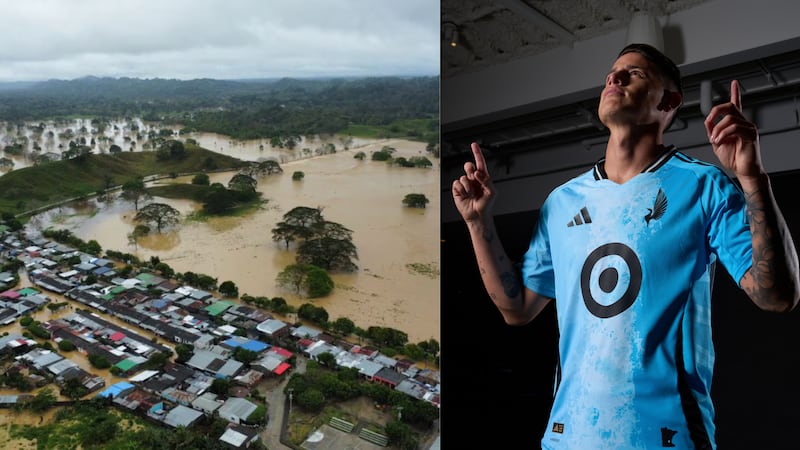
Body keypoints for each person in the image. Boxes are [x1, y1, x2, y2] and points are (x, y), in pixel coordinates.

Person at [451, 43, 800, 449]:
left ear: (669, 101)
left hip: (667, 438)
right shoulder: (561, 201)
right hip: (567, 437)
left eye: (633, 74)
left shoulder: (705, 186)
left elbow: (778, 296)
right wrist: (477, 223)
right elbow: (517, 308)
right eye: (611, 74)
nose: (614, 79)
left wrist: (753, 178)